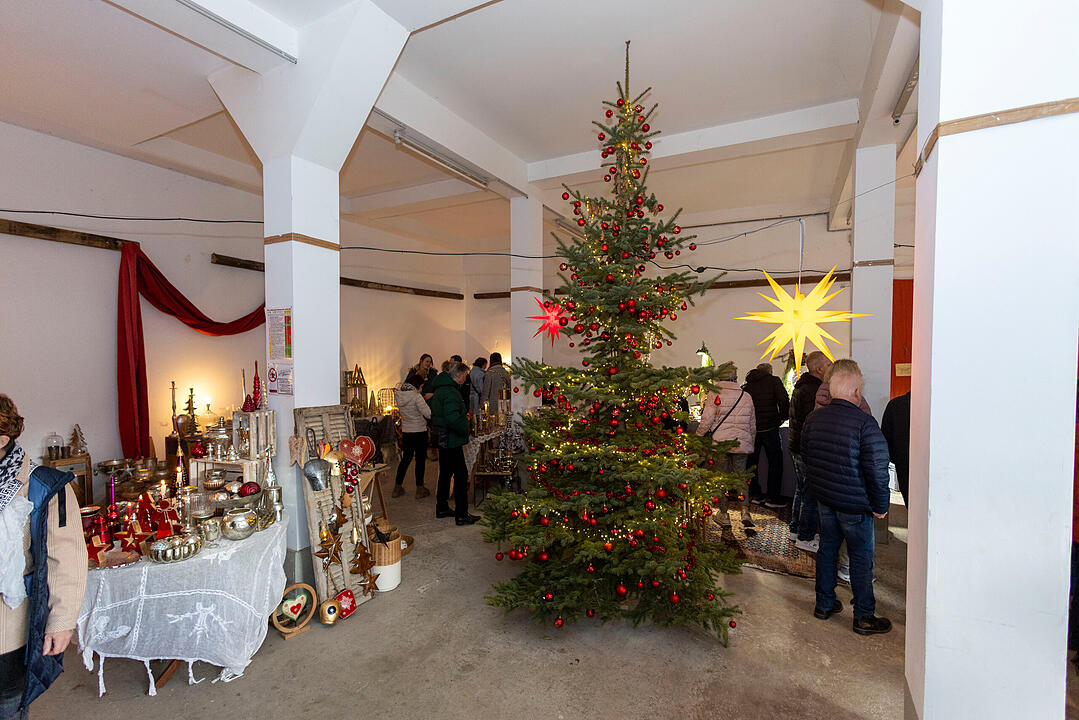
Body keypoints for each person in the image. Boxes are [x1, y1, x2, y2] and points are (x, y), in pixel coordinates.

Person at [0, 395, 87, 718]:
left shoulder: (42, 485)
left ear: (2, 439)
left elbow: (67, 558)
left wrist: (61, 622)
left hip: (7, 630)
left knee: (8, 707)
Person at [801, 360, 892, 635]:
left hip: (826, 500)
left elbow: (808, 459)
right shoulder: (865, 423)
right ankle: (864, 616)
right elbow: (877, 470)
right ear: (854, 391)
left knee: (827, 550)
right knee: (861, 558)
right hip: (854, 505)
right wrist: (880, 505)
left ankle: (824, 604)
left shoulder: (813, 419)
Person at [696, 367, 755, 527]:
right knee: (741, 478)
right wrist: (751, 442)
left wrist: (698, 436)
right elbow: (752, 424)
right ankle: (745, 511)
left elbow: (707, 420)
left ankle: (723, 514)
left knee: (721, 478)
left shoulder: (715, 393)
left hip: (720, 444)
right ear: (736, 378)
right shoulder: (746, 396)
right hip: (741, 443)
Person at [788, 351, 832, 552]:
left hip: (796, 445)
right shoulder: (815, 390)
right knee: (810, 495)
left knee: (802, 489)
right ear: (820, 369)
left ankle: (795, 529)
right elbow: (813, 422)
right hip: (806, 447)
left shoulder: (801, 386)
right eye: (829, 364)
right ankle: (805, 536)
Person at [430, 364, 479, 526]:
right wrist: (465, 428)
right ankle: (462, 514)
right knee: (461, 475)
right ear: (458, 375)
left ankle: (442, 507)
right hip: (451, 439)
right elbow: (452, 418)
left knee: (445, 473)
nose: (466, 379)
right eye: (465, 375)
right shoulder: (451, 392)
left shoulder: (440, 389)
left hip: (442, 438)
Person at [743, 362, 790, 508]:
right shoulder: (774, 381)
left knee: (752, 463)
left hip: (753, 429)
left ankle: (756, 494)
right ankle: (773, 497)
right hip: (770, 427)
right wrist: (783, 416)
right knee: (775, 462)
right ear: (770, 372)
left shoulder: (748, 385)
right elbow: (784, 400)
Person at [391, 374, 431, 499]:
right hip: (419, 431)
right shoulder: (416, 396)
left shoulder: (399, 395)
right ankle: (420, 489)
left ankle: (397, 488)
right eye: (421, 386)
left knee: (405, 460)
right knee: (420, 461)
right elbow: (428, 414)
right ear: (416, 385)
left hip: (407, 432)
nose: (421, 388)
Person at [881, 391, 911, 506]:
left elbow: (885, 443)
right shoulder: (938, 406)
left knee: (911, 506)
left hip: (904, 467)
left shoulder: (895, 405)